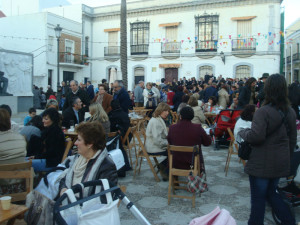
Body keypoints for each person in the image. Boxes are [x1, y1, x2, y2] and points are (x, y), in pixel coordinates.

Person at [238, 74, 296, 225]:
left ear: (268, 89)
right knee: (272, 194)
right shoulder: (290, 112)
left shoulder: (263, 111)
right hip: (280, 160)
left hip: (262, 163)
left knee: (258, 201)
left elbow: (257, 136)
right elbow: (292, 140)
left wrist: (243, 132)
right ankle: (288, 221)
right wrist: (287, 160)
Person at [59, 121, 118, 197]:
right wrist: (63, 189)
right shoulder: (78, 158)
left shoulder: (106, 166)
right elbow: (65, 178)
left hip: (85, 207)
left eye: (79, 140)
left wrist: (73, 200)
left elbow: (103, 199)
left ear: (90, 144)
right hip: (68, 202)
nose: (75, 143)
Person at [168, 106, 211, 171]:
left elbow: (170, 142)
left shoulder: (172, 128)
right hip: (193, 163)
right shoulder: (197, 128)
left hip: (175, 163)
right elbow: (207, 142)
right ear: (192, 116)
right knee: (197, 151)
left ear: (180, 116)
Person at [29, 108, 65, 172]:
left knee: (23, 164)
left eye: (46, 119)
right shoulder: (48, 130)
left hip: (51, 163)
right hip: (46, 160)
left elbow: (51, 152)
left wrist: (36, 157)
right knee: (22, 161)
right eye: (43, 118)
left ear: (53, 120)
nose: (43, 121)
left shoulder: (56, 132)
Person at [145, 103, 170, 179]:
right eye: (165, 111)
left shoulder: (158, 119)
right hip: (153, 147)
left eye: (168, 111)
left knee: (175, 150)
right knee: (174, 152)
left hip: (155, 145)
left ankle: (164, 167)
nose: (167, 113)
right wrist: (168, 144)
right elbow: (157, 140)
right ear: (160, 111)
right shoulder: (155, 122)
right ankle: (166, 170)